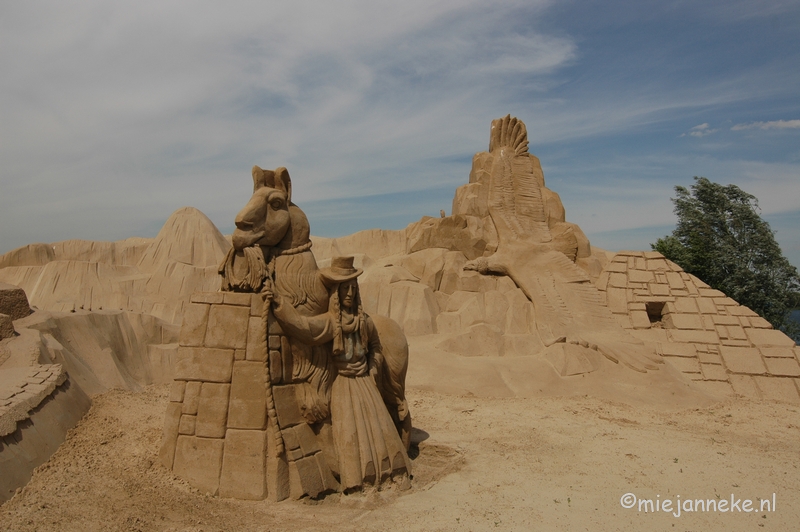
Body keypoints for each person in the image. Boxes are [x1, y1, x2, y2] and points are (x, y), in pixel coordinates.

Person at [263, 256, 411, 491]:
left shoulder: (365, 322)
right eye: (345, 289)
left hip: (364, 383)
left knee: (378, 429)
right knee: (350, 436)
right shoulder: (332, 323)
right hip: (344, 385)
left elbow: (375, 347)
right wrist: (279, 302)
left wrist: (372, 369)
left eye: (353, 288)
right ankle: (355, 481)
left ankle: (387, 474)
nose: (349, 293)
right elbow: (304, 328)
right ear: (337, 293)